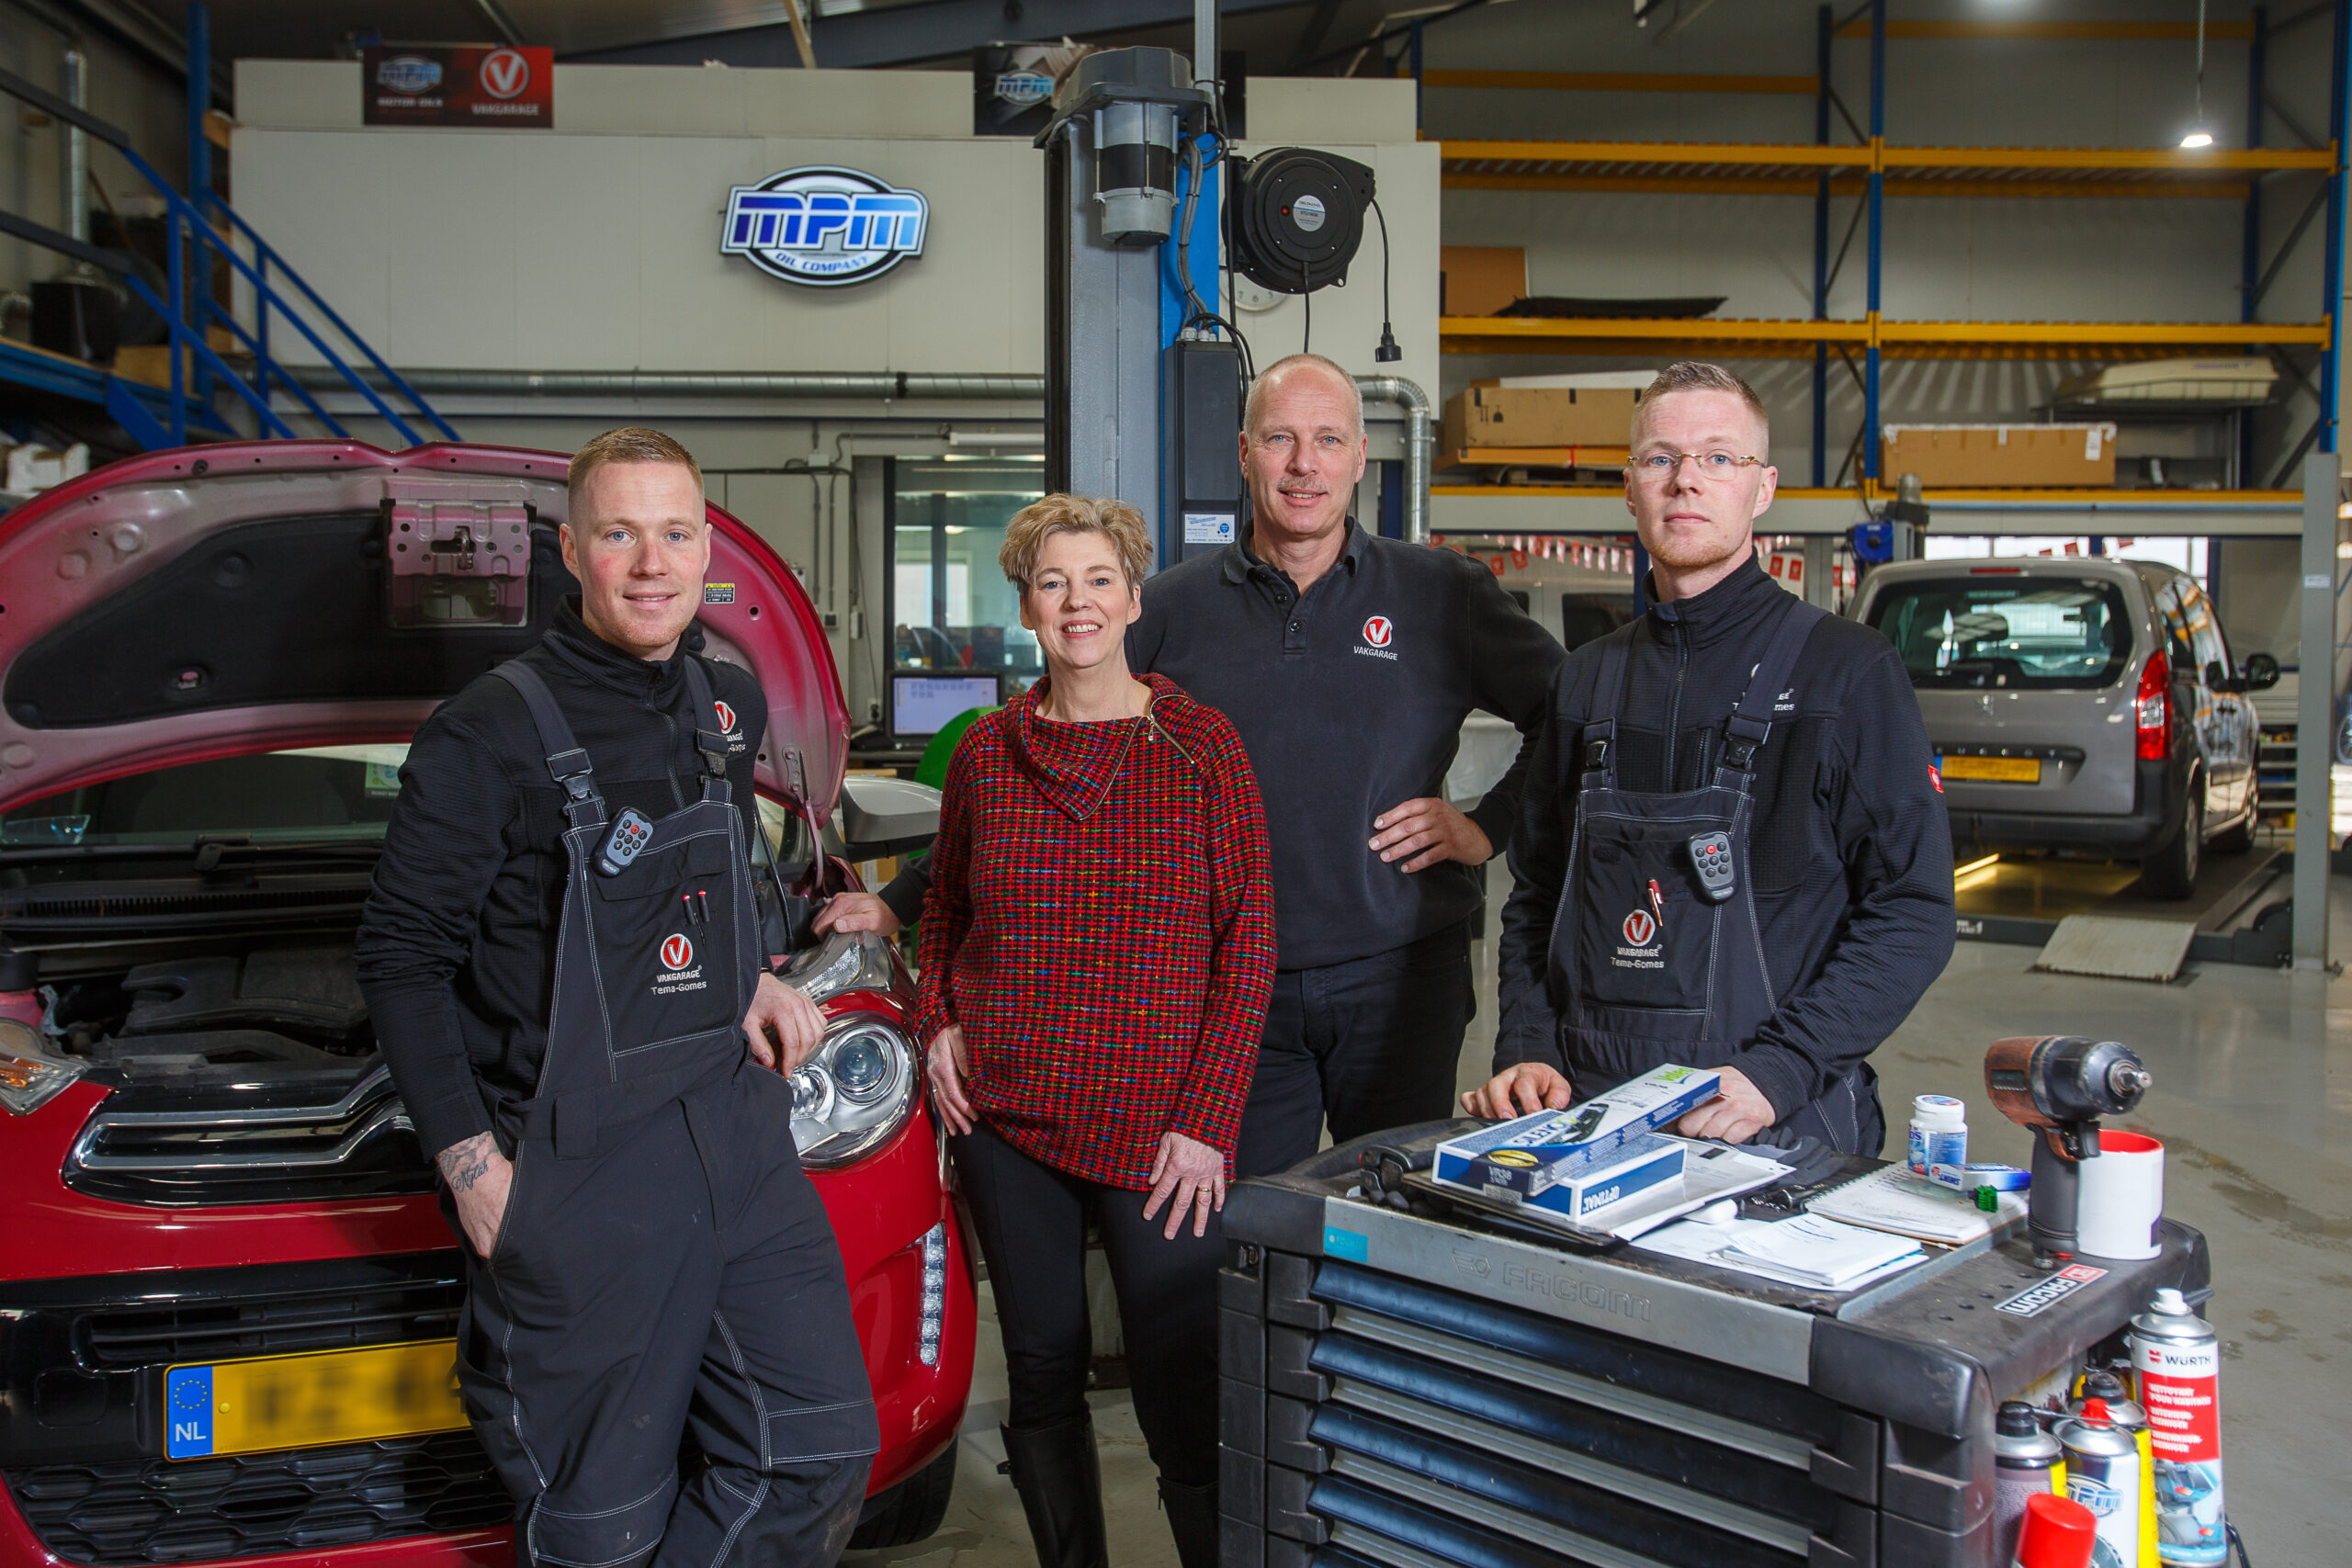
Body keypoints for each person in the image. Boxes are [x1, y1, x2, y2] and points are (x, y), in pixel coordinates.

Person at [356, 428, 878, 1568]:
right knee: (602, 1529)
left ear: (707, 550)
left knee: (817, 1452)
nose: (653, 562)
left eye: (676, 533)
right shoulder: (489, 730)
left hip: (734, 1138)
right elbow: (402, 957)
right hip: (581, 1171)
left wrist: (743, 972)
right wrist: (473, 1169)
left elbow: (709, 873)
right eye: (621, 533)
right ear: (571, 551)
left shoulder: (725, 701)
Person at [845, 355, 1564, 1176]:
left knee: (1398, 1220)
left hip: (1401, 978)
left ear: (1361, 455)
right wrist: (902, 900)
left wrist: (1486, 826)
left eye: (1328, 439)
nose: (1304, 464)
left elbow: (1568, 711)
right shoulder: (1172, 609)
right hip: (1226, 992)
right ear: (1243, 452)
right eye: (1280, 439)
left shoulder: (1443, 593)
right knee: (1238, 1242)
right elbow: (1028, 764)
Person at [1464, 363, 1955, 1153]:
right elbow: (1538, 894)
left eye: (1718, 458)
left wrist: (1782, 1067)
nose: (1687, 481)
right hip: (1589, 1114)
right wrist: (1526, 1045)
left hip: (1772, 1119)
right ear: (1631, 488)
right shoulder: (1585, 680)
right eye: (1661, 459)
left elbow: (1915, 909)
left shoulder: (1847, 674)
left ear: (1761, 490)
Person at [914, 494, 1274, 1568]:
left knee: (1180, 1379)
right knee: (1041, 1366)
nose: (1079, 602)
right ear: (1025, 602)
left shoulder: (1201, 747)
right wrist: (936, 1021)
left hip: (1162, 1124)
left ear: (1132, 594)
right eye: (1053, 581)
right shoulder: (987, 754)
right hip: (1004, 1114)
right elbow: (943, 911)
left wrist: (1207, 1121)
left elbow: (1247, 948)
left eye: (1099, 579)